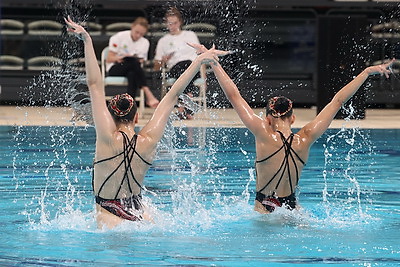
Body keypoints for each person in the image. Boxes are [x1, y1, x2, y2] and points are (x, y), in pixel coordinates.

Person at [191, 43, 394, 214]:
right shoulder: (305, 138)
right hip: (292, 209)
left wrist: (212, 61)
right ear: (293, 118)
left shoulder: (262, 132)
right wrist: (366, 72)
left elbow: (234, 96)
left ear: (268, 119)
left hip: (264, 208)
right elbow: (337, 101)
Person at [65, 16, 225, 228]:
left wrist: (87, 39)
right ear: (137, 116)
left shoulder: (106, 137)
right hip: (141, 212)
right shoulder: (148, 139)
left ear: (112, 117)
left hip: (109, 215)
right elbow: (172, 95)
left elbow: (94, 85)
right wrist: (199, 61)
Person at [153, 7, 203, 119]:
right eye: (169, 23)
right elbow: (157, 66)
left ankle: (182, 108)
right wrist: (164, 60)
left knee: (188, 65)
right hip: (174, 69)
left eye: (174, 23)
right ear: (166, 24)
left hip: (193, 68)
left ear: (180, 22)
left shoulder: (190, 35)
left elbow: (201, 54)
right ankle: (187, 104)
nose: (172, 26)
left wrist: (204, 74)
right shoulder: (163, 41)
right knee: (184, 66)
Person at [106, 17, 159, 108]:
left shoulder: (145, 42)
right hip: (116, 67)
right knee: (132, 62)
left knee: (133, 73)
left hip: (132, 68)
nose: (138, 35)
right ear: (132, 27)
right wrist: (120, 58)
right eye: (136, 32)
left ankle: (129, 106)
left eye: (141, 34)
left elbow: (141, 60)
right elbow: (109, 58)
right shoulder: (118, 37)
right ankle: (147, 92)